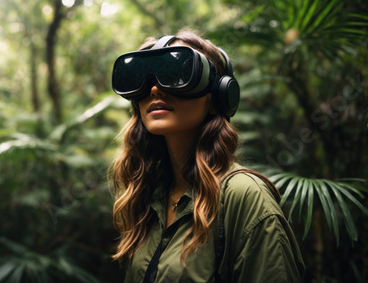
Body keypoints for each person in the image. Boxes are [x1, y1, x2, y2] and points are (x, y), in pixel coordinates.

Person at [109, 28, 305, 282]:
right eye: (143, 80)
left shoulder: (244, 197)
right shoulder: (149, 196)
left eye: (176, 74)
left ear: (218, 98)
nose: (155, 89)